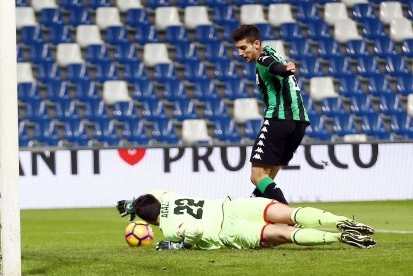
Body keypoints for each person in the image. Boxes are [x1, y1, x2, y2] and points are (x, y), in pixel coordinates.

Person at [117, 190, 376, 250]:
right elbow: (154, 195)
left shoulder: (170, 229)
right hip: (235, 206)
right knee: (291, 213)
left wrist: (182, 245)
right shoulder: (170, 197)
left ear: (148, 224)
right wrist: (132, 202)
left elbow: (194, 228)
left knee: (284, 233)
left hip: (230, 231)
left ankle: (338, 237)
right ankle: (342, 220)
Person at [231, 24, 310, 204]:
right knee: (267, 178)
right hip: (299, 123)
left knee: (257, 175)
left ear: (256, 44)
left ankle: (290, 217)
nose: (241, 53)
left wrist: (285, 69)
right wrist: (284, 68)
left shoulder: (263, 59)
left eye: (244, 48)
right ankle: (253, 208)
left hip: (279, 119)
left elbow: (274, 67)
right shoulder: (271, 52)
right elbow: (276, 66)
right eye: (238, 49)